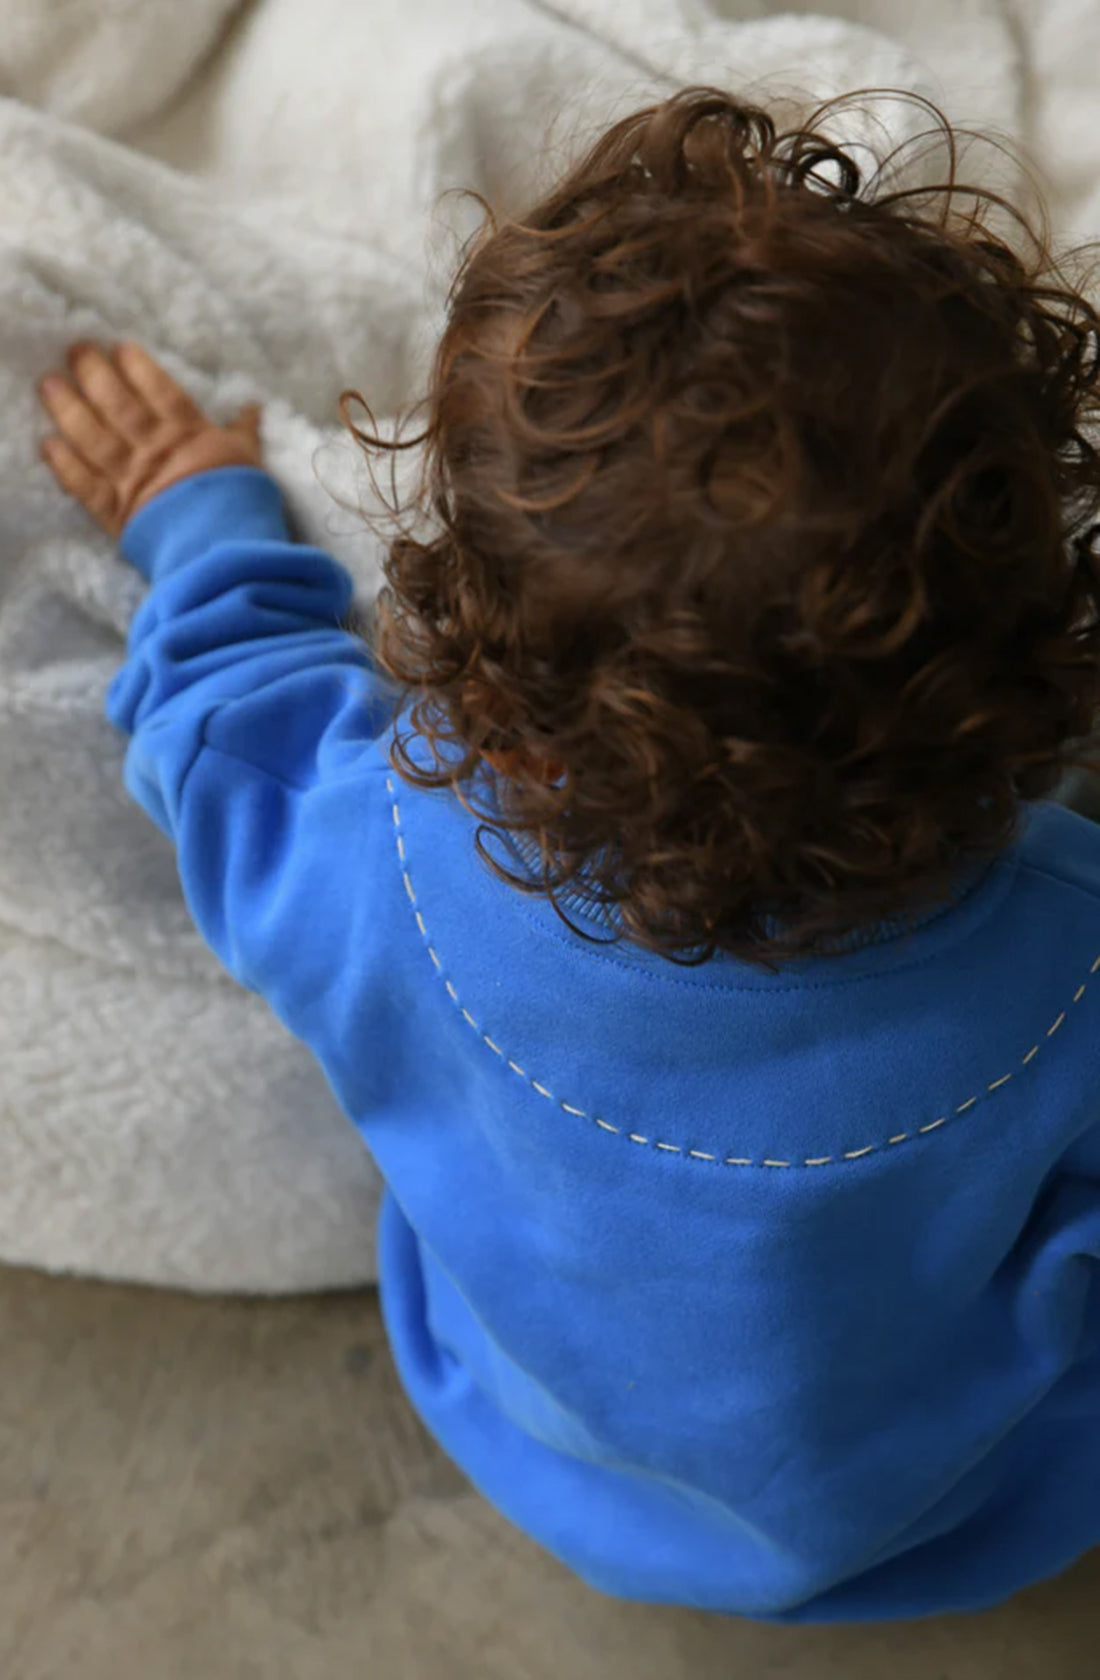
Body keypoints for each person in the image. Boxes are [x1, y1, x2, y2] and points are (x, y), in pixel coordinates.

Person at [36, 88, 1100, 1623]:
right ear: (1028, 685)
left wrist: (193, 519)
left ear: (498, 701)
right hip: (963, 1505)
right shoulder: (1067, 971)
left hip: (528, 1444)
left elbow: (220, 720)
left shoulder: (375, 851)